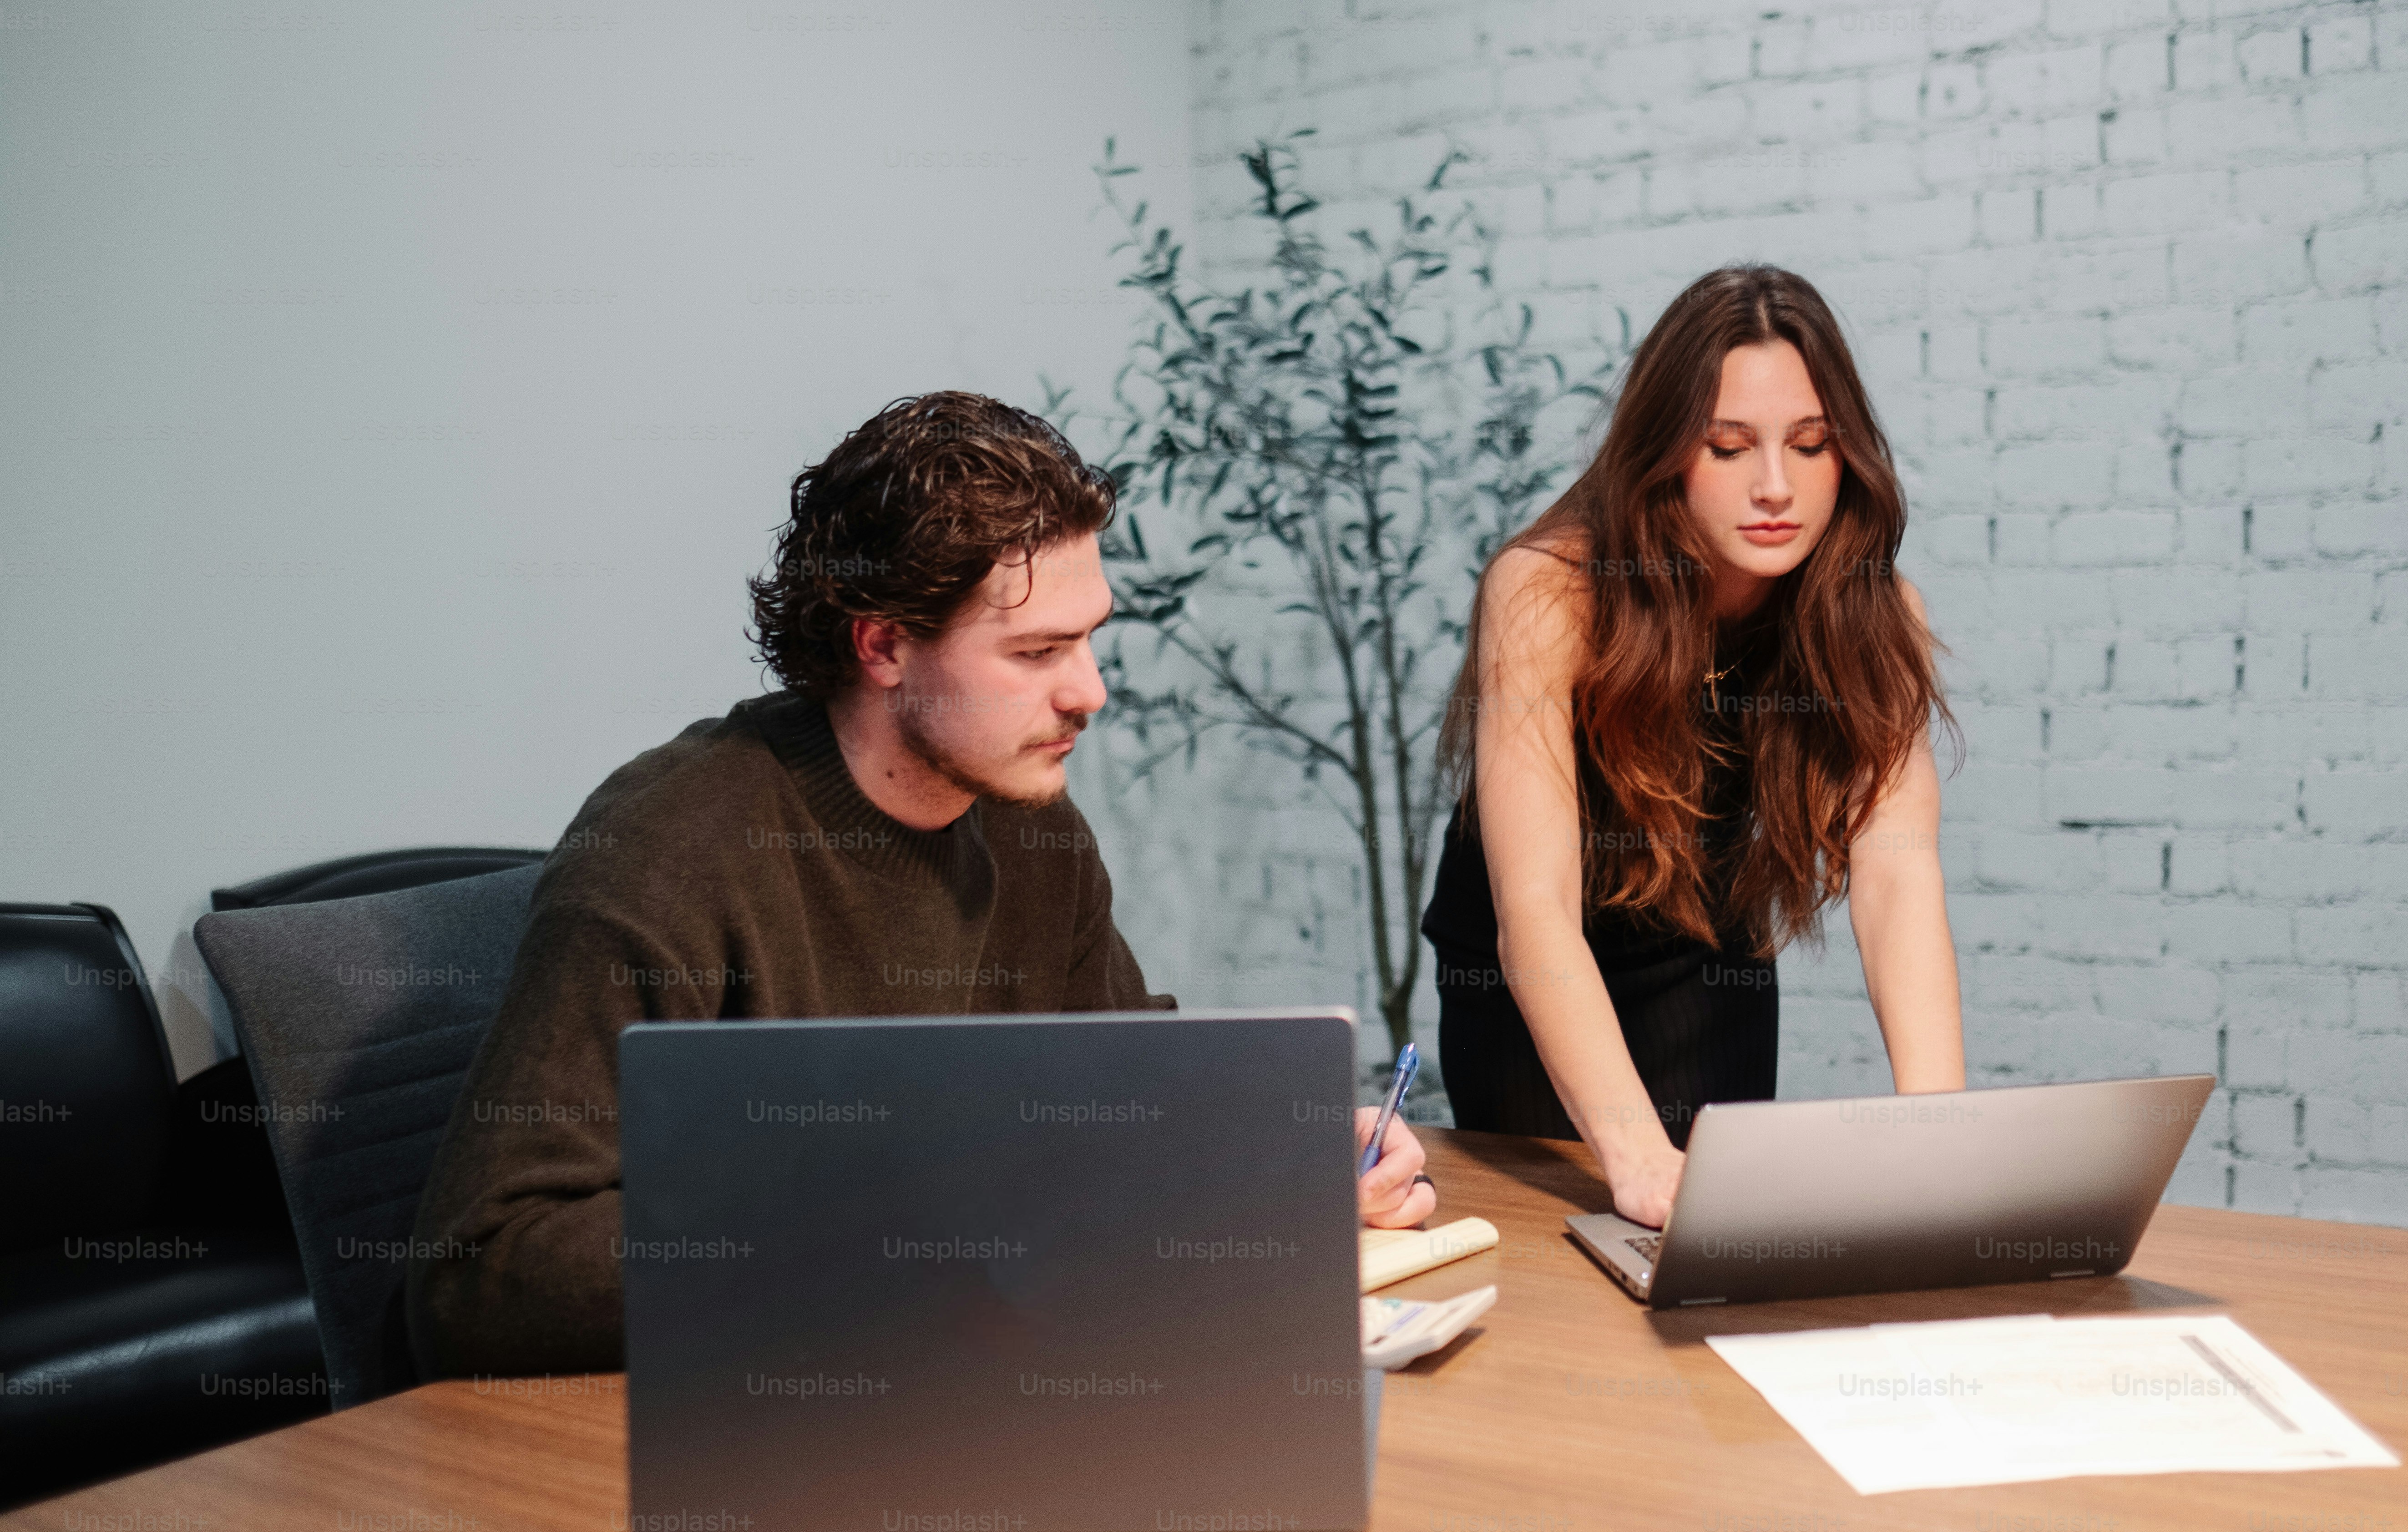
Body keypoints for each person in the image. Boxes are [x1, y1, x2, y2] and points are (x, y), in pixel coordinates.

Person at [410, 392, 1432, 1379]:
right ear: (885, 643)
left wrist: (1285, 1155)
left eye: (1090, 637)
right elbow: (482, 1276)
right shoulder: (671, 851)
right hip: (735, 1425)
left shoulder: (1033, 827)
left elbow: (1126, 1100)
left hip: (963, 1390)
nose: (1090, 691)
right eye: (1036, 652)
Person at [1421, 264, 1966, 1230]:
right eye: (1728, 447)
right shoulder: (1551, 592)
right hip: (1537, 981)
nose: (1775, 487)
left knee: (1709, 1266)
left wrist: (1941, 1138)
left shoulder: (1874, 614)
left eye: (1810, 445)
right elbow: (1535, 908)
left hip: (1712, 962)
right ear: (1669, 450)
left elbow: (1896, 872)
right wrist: (1630, 1153)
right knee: (1575, 1272)